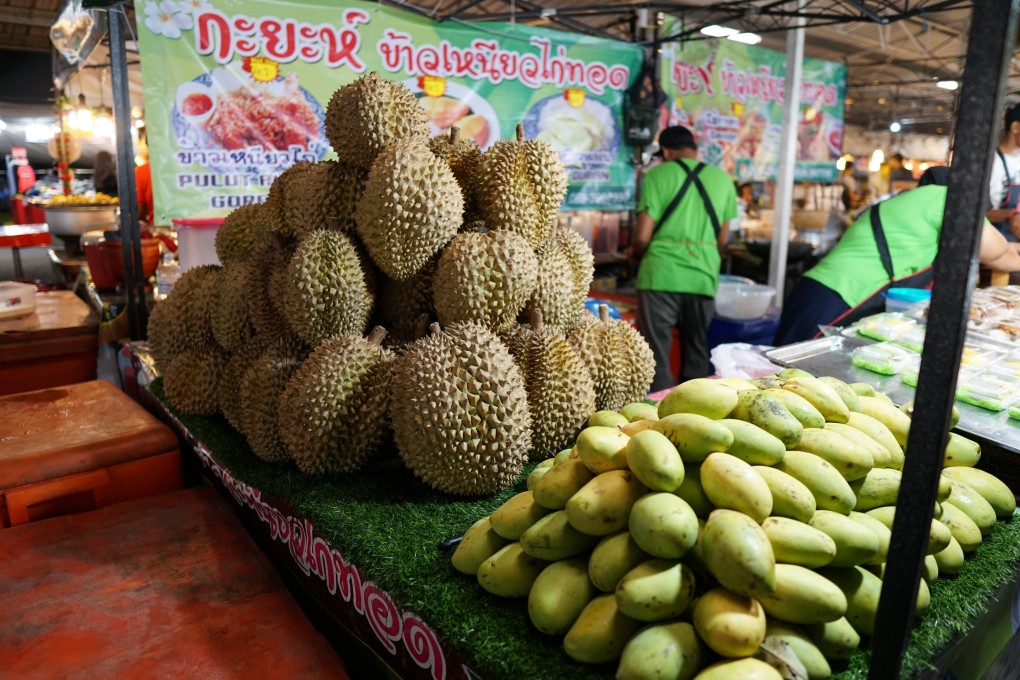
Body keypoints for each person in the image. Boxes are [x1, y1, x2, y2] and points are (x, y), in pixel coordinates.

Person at [773, 166, 1020, 345]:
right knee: (788, 378)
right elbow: (998, 255)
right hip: (842, 296)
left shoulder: (907, 203)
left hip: (818, 291)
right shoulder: (946, 198)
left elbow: (1002, 249)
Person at [631, 125, 738, 391]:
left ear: (665, 151)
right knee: (696, 348)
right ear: (694, 148)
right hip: (702, 275)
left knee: (655, 354)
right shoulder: (723, 179)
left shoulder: (657, 175)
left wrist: (632, 256)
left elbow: (642, 237)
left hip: (660, 275)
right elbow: (723, 239)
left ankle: (658, 415)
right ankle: (696, 409)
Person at [987, 102, 1020, 242]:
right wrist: (1011, 215)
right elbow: (974, 215)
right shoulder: (989, 162)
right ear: (1016, 127)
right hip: (992, 239)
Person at [135, 135, 154, 225]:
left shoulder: (141, 171)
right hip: (192, 228)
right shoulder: (188, 168)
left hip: (159, 232)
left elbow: (139, 211)